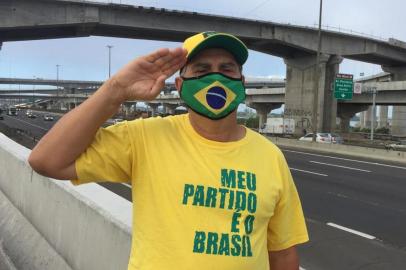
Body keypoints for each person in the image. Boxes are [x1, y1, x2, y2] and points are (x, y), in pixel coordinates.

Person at [29, 31, 309, 270]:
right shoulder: (144, 137)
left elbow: (283, 252)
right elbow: (46, 161)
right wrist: (115, 90)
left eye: (227, 69)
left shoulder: (270, 156)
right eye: (201, 70)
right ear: (179, 85)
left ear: (241, 82)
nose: (215, 77)